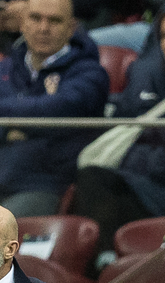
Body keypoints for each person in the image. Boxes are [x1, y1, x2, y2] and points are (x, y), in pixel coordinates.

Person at [0, 0, 110, 219]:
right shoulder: (2, 68)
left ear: (71, 27)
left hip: (40, 189)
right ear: (22, 23)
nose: (43, 28)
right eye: (35, 18)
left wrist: (0, 111)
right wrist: (4, 131)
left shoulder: (89, 74)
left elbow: (57, 109)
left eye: (54, 20)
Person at [73, 7, 165, 263]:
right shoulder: (146, 73)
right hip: (144, 183)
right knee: (93, 176)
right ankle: (106, 260)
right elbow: (122, 128)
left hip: (154, 181)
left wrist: (138, 157)